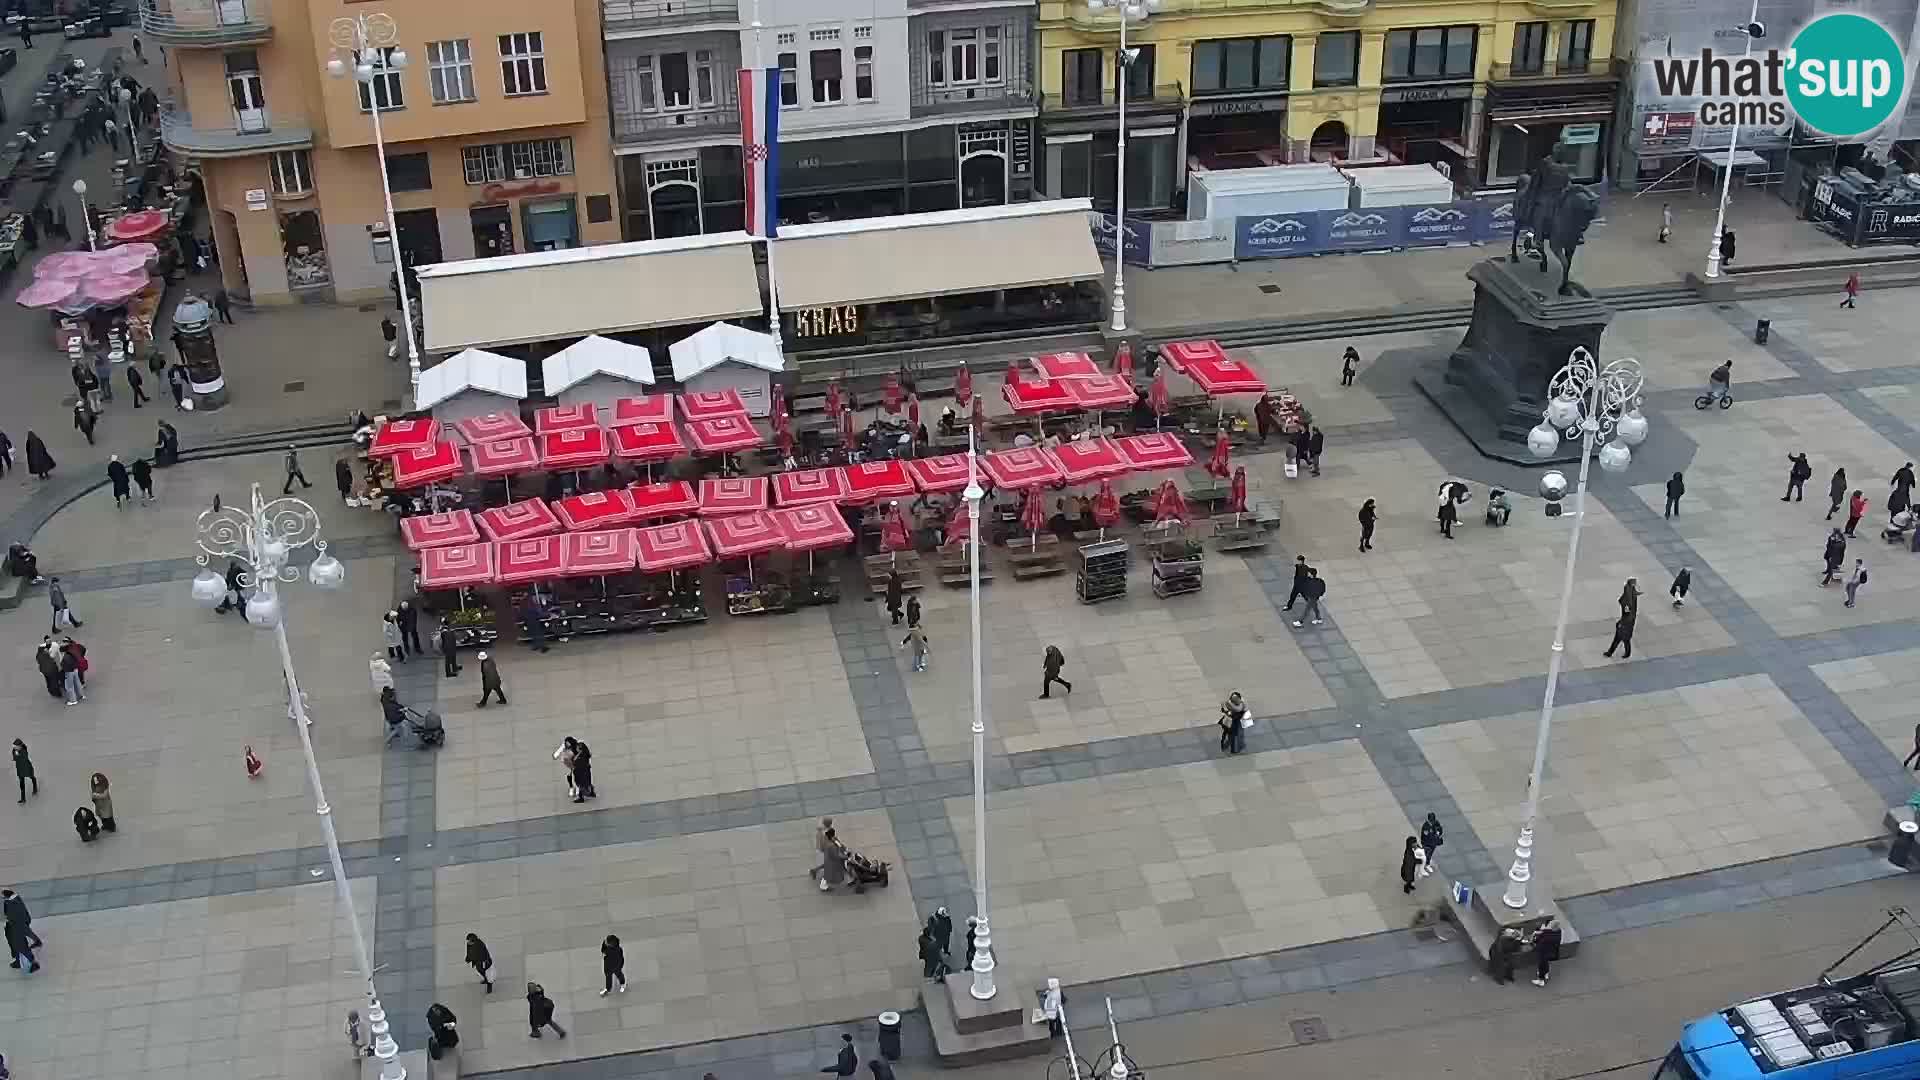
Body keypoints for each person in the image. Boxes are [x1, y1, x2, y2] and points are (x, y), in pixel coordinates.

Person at [1531, 919, 1564, 986]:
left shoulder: (1547, 937)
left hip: (1544, 952)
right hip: (1553, 952)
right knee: (1546, 963)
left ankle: (1541, 980)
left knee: (1541, 965)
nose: (1548, 925)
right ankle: (1546, 973)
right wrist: (1543, 931)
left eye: (1550, 924)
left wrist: (1536, 935)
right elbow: (1548, 932)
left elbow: (1537, 940)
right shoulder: (1558, 931)